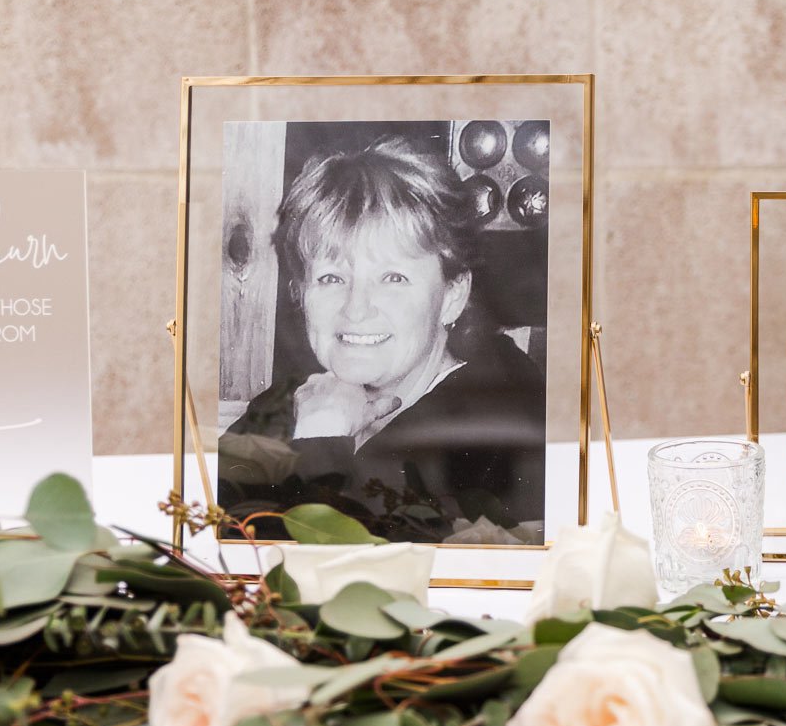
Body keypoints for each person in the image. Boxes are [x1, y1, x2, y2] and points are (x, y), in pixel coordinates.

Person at [219, 136, 546, 543]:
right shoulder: (287, 404)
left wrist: (321, 440)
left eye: (393, 278)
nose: (355, 309)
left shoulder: (501, 433)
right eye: (331, 278)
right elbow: (205, 545)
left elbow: (343, 583)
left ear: (452, 295)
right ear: (302, 293)